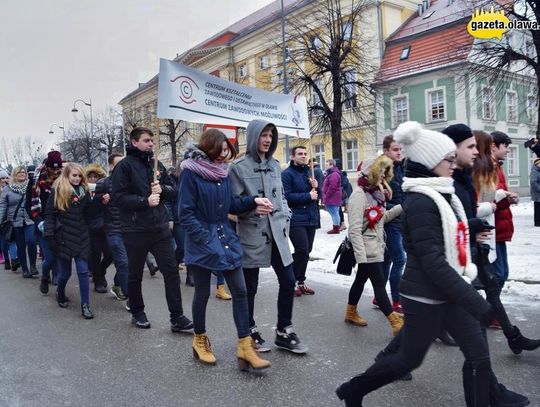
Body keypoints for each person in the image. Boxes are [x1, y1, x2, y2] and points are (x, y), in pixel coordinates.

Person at [336, 121, 528, 407]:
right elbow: (433, 261)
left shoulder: (441, 191)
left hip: (450, 292)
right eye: (448, 159)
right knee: (408, 360)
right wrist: (476, 301)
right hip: (425, 296)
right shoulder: (423, 200)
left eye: (454, 158)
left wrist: (471, 225)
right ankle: (354, 389)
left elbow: (448, 231)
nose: (454, 164)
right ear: (430, 162)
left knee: (479, 357)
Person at [179, 129, 271, 370]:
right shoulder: (190, 172)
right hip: (202, 242)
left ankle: (244, 346)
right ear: (208, 148)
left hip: (226, 239)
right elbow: (185, 214)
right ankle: (199, 341)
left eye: (226, 152)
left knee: (240, 291)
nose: (223, 157)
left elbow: (231, 204)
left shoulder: (223, 173)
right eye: (219, 152)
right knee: (202, 293)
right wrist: (205, 239)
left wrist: (253, 201)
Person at [229, 119, 308, 354]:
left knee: (288, 280)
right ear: (254, 136)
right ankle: (249, 330)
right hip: (252, 233)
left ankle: (284, 330)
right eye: (263, 135)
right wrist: (252, 206)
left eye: (271, 135)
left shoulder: (274, 165)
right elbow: (231, 205)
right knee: (249, 287)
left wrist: (286, 214)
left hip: (278, 233)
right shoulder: (238, 167)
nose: (267, 140)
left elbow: (280, 196)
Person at [111, 126, 192, 331]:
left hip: (159, 228)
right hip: (135, 229)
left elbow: (174, 192)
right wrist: (144, 200)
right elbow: (118, 198)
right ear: (134, 142)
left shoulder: (157, 165)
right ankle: (138, 312)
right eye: (147, 140)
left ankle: (177, 316)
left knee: (171, 271)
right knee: (135, 273)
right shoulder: (125, 166)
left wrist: (162, 189)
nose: (151, 144)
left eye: (152, 141)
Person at [344, 155, 403, 335]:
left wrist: (401, 207)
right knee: (379, 285)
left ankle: (350, 312)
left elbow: (379, 220)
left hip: (375, 245)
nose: (382, 178)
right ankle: (395, 323)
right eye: (380, 173)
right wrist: (361, 258)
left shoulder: (374, 195)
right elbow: (354, 230)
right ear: (371, 172)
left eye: (385, 174)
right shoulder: (359, 195)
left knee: (360, 280)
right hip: (367, 250)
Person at [44, 163, 94, 319]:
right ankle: (60, 292)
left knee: (83, 271)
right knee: (64, 273)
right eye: (74, 175)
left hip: (81, 236)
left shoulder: (85, 192)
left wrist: (98, 202)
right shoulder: (57, 191)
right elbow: (49, 216)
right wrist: (50, 236)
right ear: (66, 175)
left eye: (80, 176)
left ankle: (85, 305)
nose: (78, 178)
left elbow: (89, 214)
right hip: (63, 237)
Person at [282, 145, 320, 297]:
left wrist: (317, 187)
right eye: (300, 154)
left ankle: (300, 282)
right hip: (295, 218)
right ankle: (289, 280)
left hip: (310, 218)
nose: (303, 156)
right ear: (292, 156)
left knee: (306, 252)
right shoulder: (287, 174)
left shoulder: (309, 173)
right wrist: (307, 196)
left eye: (305, 154)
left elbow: (317, 196)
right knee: (302, 249)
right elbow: (286, 197)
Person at [95, 153, 128, 302]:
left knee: (129, 263)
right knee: (122, 261)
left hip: (130, 228)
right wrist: (101, 201)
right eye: (118, 163)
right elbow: (92, 208)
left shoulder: (132, 182)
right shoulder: (103, 183)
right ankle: (131, 298)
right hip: (112, 228)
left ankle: (118, 284)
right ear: (111, 166)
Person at [380, 135, 406, 314]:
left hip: (401, 221)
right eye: (396, 150)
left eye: (400, 149)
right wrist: (399, 207)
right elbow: (377, 201)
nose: (399, 153)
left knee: (388, 260)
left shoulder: (400, 168)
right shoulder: (381, 171)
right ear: (386, 151)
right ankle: (396, 300)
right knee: (400, 259)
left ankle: (379, 295)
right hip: (390, 222)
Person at [31, 151, 63, 292]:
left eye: (58, 169)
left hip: (61, 223)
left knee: (59, 255)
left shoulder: (64, 180)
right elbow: (30, 205)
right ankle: (45, 277)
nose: (55, 171)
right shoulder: (37, 180)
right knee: (49, 257)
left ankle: (57, 276)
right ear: (46, 167)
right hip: (43, 223)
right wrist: (38, 221)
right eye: (52, 168)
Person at [490, 131, 518, 290]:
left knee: (502, 274)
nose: (508, 150)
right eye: (506, 146)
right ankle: (489, 311)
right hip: (493, 229)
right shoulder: (488, 167)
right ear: (493, 146)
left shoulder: (497, 166)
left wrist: (507, 199)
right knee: (497, 275)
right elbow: (485, 199)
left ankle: (491, 310)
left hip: (499, 229)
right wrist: (505, 198)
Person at [0, 166, 37, 278]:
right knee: (20, 245)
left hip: (29, 219)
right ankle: (25, 269)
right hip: (15, 220)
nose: (22, 173)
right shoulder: (7, 189)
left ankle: (33, 266)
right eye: (19, 172)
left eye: (23, 172)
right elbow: (3, 206)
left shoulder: (31, 186)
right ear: (15, 175)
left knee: (31, 241)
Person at [85, 163, 113, 293]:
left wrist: (107, 201)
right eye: (90, 176)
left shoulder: (105, 189)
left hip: (106, 226)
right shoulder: (83, 191)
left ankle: (100, 273)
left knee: (110, 254)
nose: (92, 179)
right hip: (91, 228)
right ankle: (98, 281)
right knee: (95, 255)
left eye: (95, 176)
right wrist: (97, 200)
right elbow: (86, 210)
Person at [0, 168, 17, 271]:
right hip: (1, 219)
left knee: (11, 240)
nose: (5, 180)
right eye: (2, 178)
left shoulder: (11, 188)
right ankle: (7, 260)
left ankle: (13, 260)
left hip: (10, 218)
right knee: (4, 241)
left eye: (6, 177)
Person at [322, 159, 342, 234]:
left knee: (334, 212)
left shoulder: (334, 174)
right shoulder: (331, 173)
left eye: (327, 165)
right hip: (332, 196)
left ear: (331, 165)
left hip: (332, 197)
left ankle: (336, 228)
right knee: (334, 212)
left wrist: (326, 195)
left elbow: (332, 186)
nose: (325, 166)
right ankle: (336, 227)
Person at [531, 158, 540, 227]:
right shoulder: (534, 171)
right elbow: (533, 182)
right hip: (537, 193)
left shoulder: (538, 170)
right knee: (537, 208)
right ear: (537, 164)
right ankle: (537, 222)